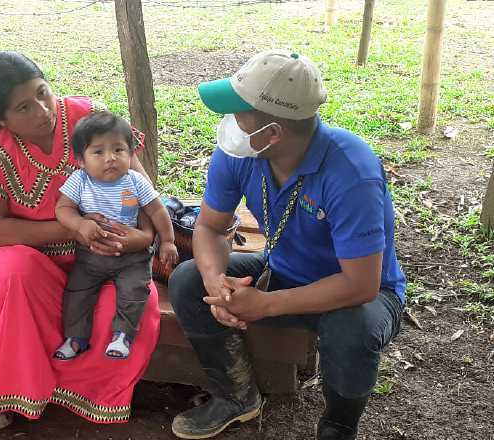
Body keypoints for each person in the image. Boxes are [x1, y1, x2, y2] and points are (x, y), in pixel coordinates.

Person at [168, 49, 405, 440]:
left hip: (359, 293)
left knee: (353, 327)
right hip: (283, 272)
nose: (231, 123)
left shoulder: (351, 171)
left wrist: (265, 304)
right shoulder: (243, 152)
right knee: (188, 279)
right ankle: (237, 396)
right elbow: (209, 228)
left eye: (238, 113)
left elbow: (361, 285)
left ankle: (338, 426)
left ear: (273, 132)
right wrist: (217, 283)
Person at [0, 51, 161, 429]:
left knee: (130, 306)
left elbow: (140, 188)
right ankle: (3, 388)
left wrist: (141, 238)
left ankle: (78, 394)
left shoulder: (88, 119)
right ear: (1, 119)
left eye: (43, 93)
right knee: (14, 276)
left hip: (103, 256)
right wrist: (74, 226)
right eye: (24, 108)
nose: (43, 110)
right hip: (27, 256)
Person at [53, 111, 177, 361]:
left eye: (118, 150)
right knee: (77, 293)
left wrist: (167, 240)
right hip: (91, 255)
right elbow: (62, 209)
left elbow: (157, 209)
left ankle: (123, 336)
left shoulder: (136, 181)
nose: (110, 158)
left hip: (132, 257)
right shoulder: (80, 181)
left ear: (130, 154)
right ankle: (76, 338)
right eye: (98, 152)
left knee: (135, 292)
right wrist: (78, 224)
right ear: (81, 160)